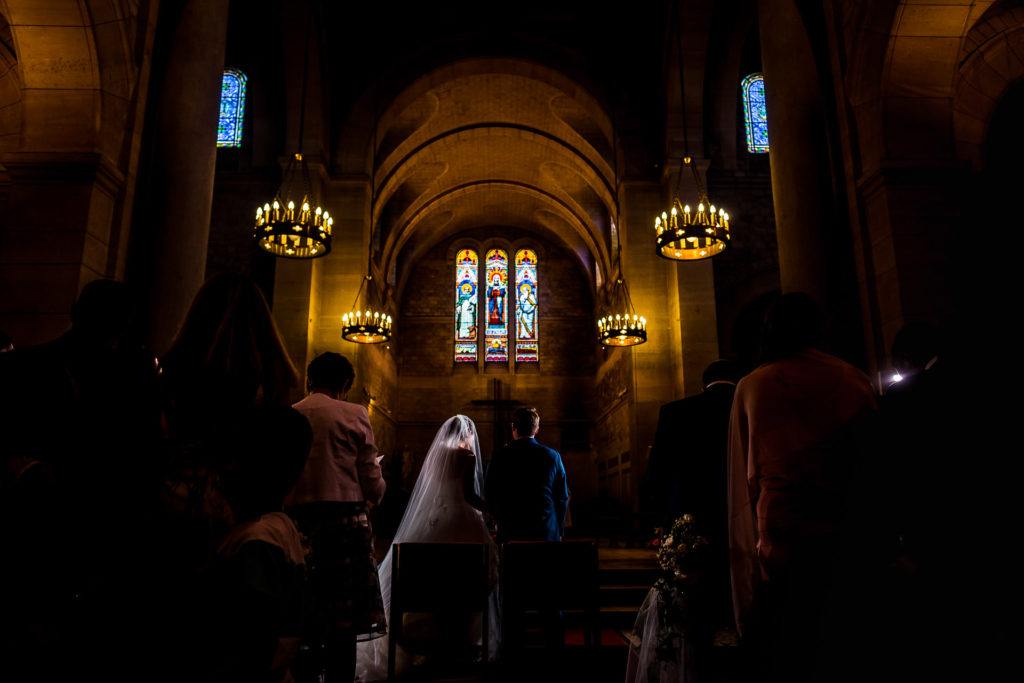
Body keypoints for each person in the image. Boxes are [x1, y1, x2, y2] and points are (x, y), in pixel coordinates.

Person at [727, 292, 879, 683]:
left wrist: (745, 561)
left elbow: (744, 476)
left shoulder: (753, 385)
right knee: (839, 639)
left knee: (786, 641)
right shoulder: (850, 378)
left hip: (780, 532)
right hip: (845, 527)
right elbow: (873, 462)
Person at [355, 415, 497, 682]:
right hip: (461, 520)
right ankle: (457, 640)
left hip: (435, 517)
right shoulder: (466, 457)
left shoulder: (438, 455)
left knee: (431, 578)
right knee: (465, 579)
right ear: (467, 434)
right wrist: (490, 510)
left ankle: (430, 640)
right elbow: (468, 496)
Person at [188, 403, 313, 683]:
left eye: (232, 459)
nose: (223, 471)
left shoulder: (257, 540)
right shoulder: (278, 527)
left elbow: (254, 635)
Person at [284, 352, 387, 683]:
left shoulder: (291, 415)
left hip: (297, 525)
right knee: (345, 622)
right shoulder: (354, 413)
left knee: (304, 614)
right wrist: (379, 484)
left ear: (308, 380)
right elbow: (371, 483)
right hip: (345, 527)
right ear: (345, 384)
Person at [484, 407, 568, 543]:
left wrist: (499, 519)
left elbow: (490, 493)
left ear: (513, 428)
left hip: (511, 529)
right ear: (536, 430)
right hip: (546, 530)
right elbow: (562, 497)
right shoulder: (553, 456)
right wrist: (559, 529)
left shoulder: (500, 456)